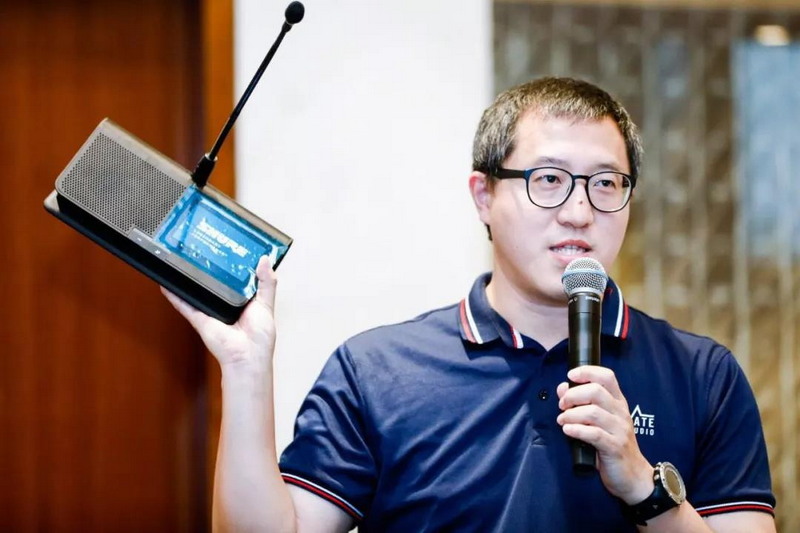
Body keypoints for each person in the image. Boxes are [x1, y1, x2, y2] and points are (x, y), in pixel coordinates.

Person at [164, 77, 776, 532]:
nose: (579, 211)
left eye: (606, 183)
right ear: (484, 195)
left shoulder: (703, 376)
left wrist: (644, 486)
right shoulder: (377, 371)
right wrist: (246, 371)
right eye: (549, 179)